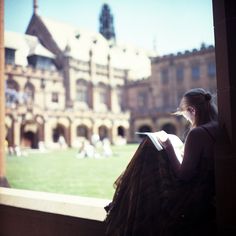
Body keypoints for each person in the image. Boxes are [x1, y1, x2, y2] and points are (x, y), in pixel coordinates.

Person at [104, 88, 219, 236]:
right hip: (209, 186)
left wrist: (170, 148)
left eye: (185, 115)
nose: (187, 120)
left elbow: (184, 175)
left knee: (148, 148)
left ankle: (122, 206)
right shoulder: (218, 126)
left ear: (192, 110)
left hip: (195, 193)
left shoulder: (197, 133)